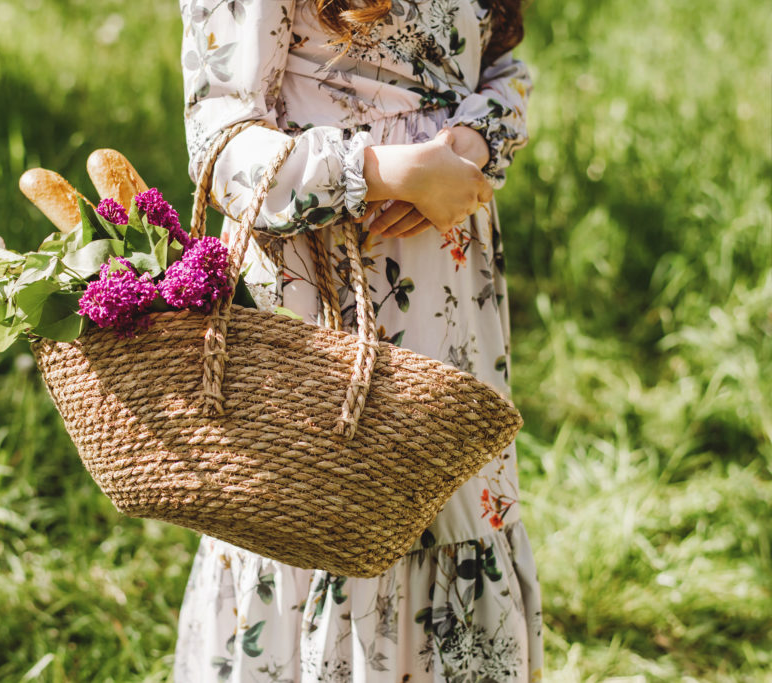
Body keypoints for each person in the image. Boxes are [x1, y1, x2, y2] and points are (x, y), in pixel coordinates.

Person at [174, 0, 543, 680]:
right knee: (323, 524)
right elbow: (219, 142)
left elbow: (505, 69)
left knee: (451, 513)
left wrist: (475, 142)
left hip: (450, 298)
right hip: (319, 301)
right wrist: (380, 171)